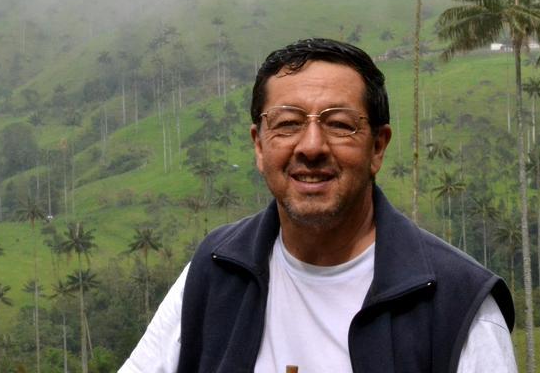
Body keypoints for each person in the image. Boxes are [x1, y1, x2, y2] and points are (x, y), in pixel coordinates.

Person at [121, 38, 517, 373]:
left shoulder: (458, 304)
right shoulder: (217, 270)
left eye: (340, 124)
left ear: (377, 147)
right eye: (287, 124)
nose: (311, 147)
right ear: (259, 146)